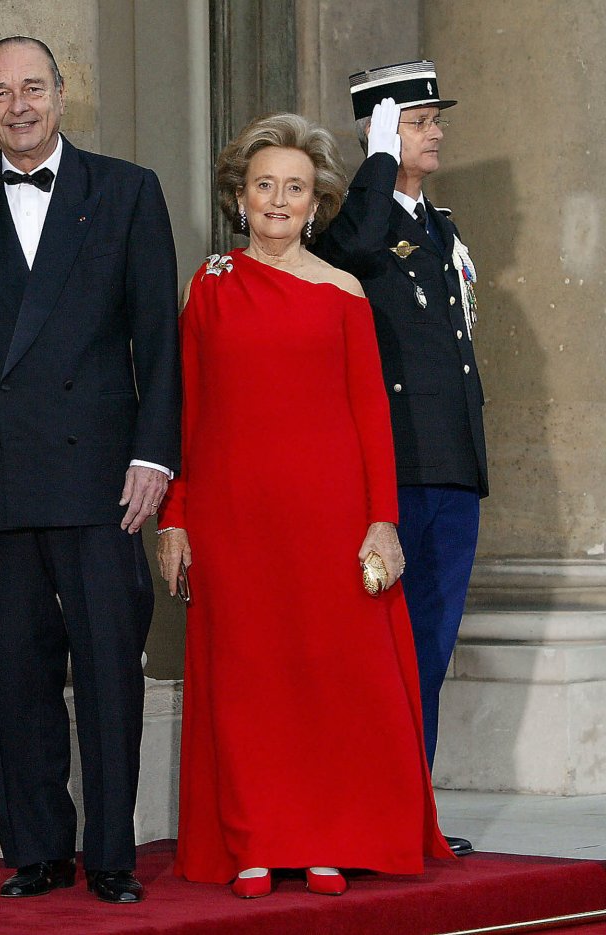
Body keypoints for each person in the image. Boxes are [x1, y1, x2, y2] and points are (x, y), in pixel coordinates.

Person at [0, 36, 181, 905]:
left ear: (64, 94)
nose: (18, 105)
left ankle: (110, 854)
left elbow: (160, 343)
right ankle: (35, 848)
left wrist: (154, 455)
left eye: (33, 87)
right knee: (14, 673)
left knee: (108, 670)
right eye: (0, 92)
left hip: (105, 478)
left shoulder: (129, 191)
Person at [156, 112, 453, 897]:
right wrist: (176, 515)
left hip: (328, 514)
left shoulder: (345, 291)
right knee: (247, 677)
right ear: (239, 197)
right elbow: (187, 412)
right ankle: (253, 839)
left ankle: (322, 835)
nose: (278, 201)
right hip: (232, 516)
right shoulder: (208, 285)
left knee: (323, 676)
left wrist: (381, 520)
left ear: (315, 202)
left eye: (293, 188)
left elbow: (370, 418)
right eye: (264, 186)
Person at [312, 61, 486, 857]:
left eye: (431, 119)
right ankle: (376, 814)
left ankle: (411, 815)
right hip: (396, 469)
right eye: (417, 121)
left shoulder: (438, 225)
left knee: (432, 647)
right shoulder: (360, 222)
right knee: (386, 653)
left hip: (449, 465)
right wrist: (376, 167)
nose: (436, 131)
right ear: (378, 134)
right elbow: (347, 252)